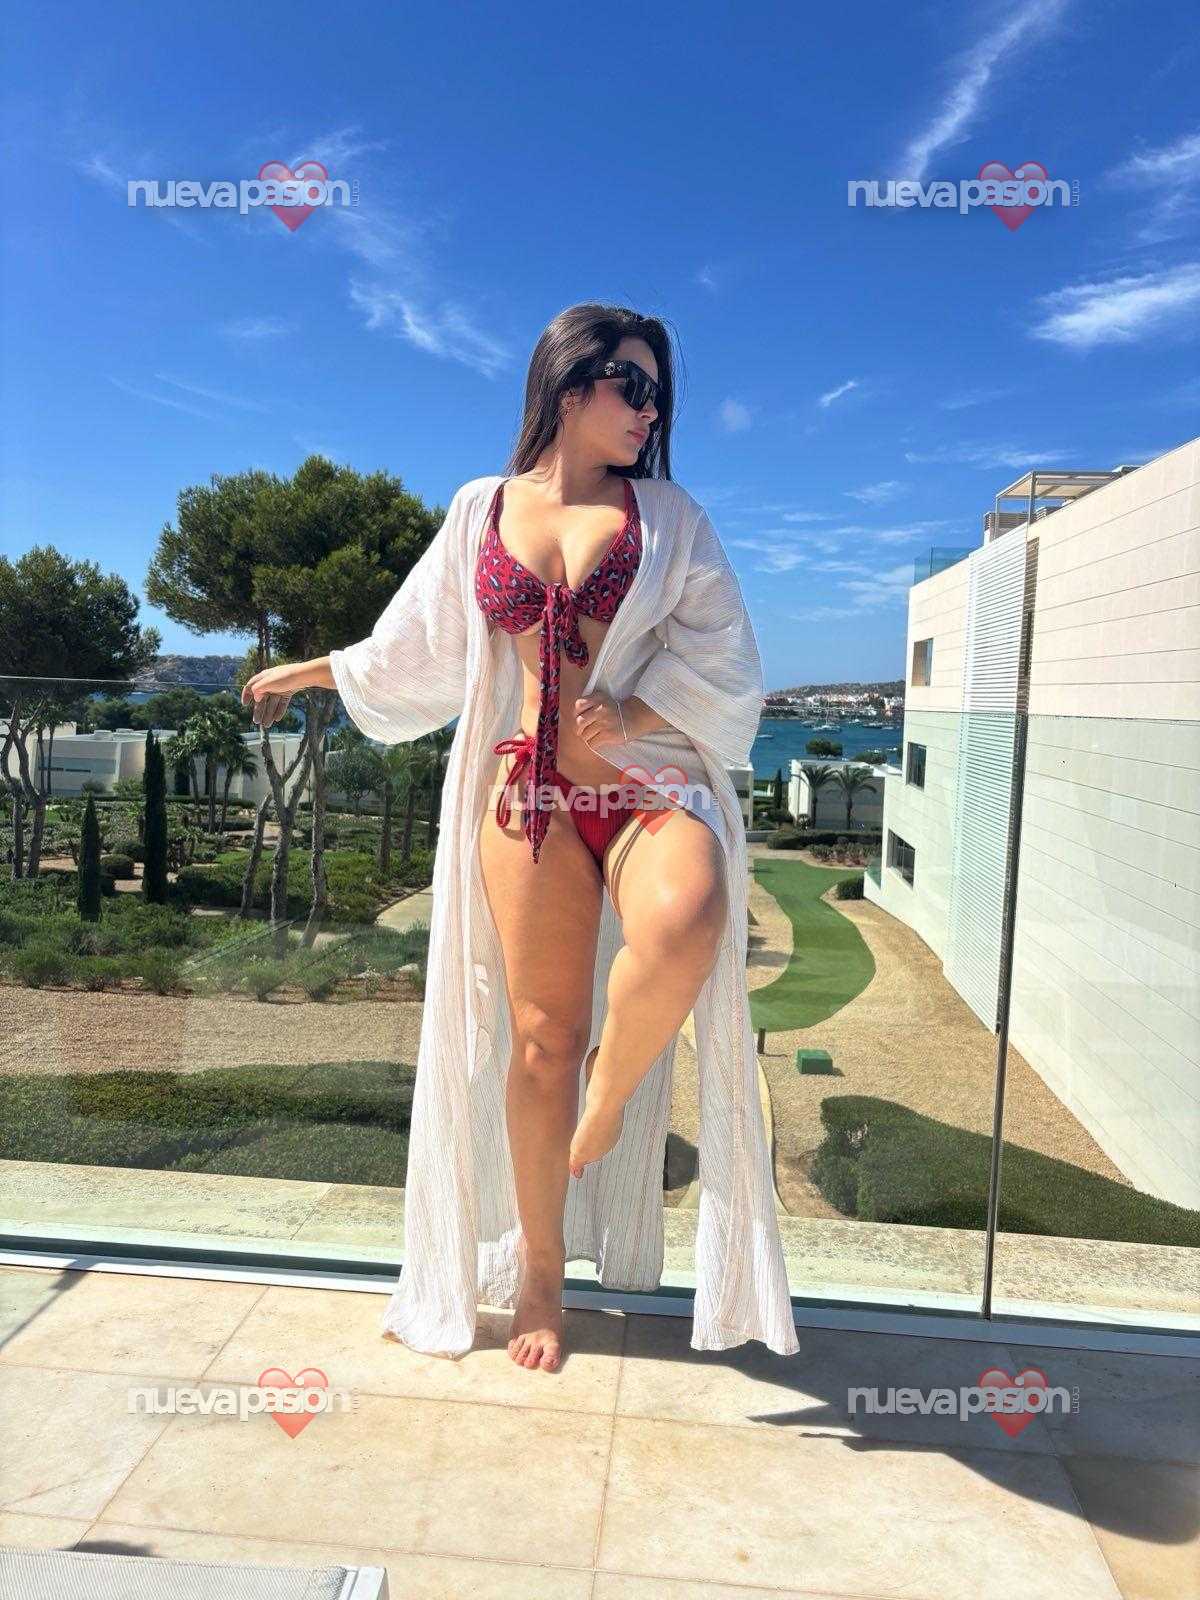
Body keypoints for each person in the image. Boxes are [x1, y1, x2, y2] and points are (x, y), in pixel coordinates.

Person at [242, 303, 800, 1372]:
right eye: (633, 387)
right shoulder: (479, 509)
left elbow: (731, 666)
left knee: (689, 916)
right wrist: (317, 671)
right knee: (541, 1039)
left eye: (659, 394)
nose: (651, 411)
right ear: (569, 383)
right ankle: (540, 1272)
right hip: (525, 800)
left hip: (641, 786)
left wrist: (634, 711)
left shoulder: (671, 516)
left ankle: (611, 1099)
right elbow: (418, 642)